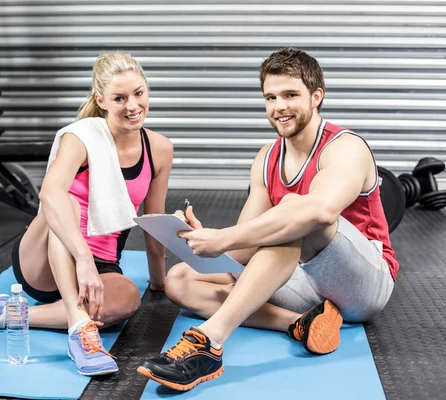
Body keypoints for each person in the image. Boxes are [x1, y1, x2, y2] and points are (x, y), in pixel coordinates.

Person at [137, 47, 399, 391]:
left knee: (297, 216)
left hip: (364, 284)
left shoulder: (345, 147)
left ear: (316, 97)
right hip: (304, 284)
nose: (279, 107)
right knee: (180, 279)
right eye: (271, 97)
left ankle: (209, 342)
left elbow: (319, 212)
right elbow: (249, 237)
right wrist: (210, 241)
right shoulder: (267, 157)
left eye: (291, 95)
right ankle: (301, 324)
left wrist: (225, 239)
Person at [0, 52, 174, 376]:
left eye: (139, 93)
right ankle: (79, 330)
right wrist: (82, 258)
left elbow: (153, 222)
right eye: (119, 98)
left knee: (127, 300)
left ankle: (6, 314)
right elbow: (49, 194)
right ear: (101, 100)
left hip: (101, 263)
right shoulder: (81, 137)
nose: (132, 105)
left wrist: (159, 282)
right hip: (46, 256)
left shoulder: (159, 148)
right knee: (66, 200)